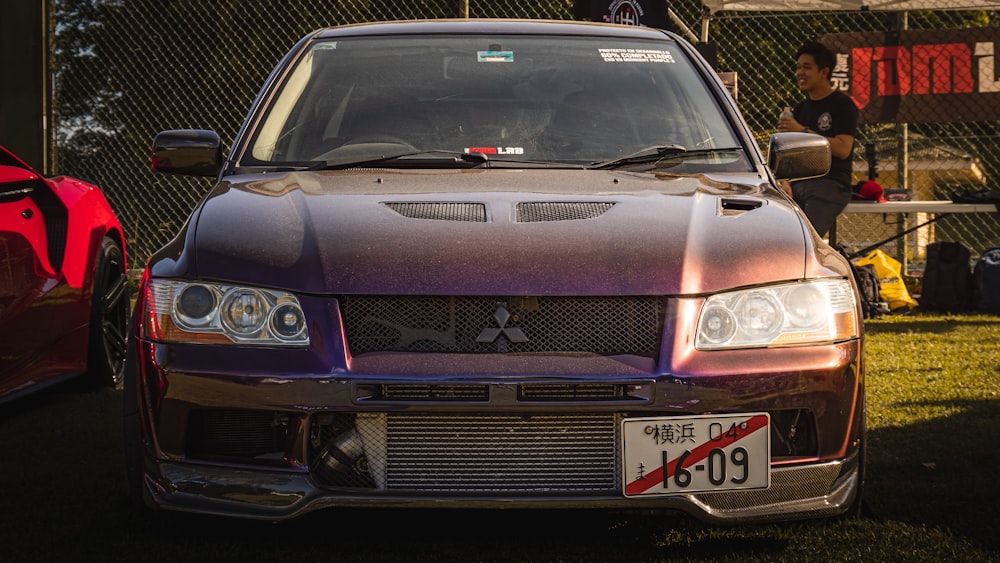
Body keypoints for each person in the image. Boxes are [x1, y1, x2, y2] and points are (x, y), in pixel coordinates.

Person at [777, 41, 859, 239]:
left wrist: (803, 131)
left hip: (829, 184)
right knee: (775, 233)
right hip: (797, 186)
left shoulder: (842, 104)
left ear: (824, 72)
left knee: (803, 240)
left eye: (807, 67)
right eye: (798, 68)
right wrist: (785, 182)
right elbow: (789, 157)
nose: (800, 73)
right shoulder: (800, 109)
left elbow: (843, 149)